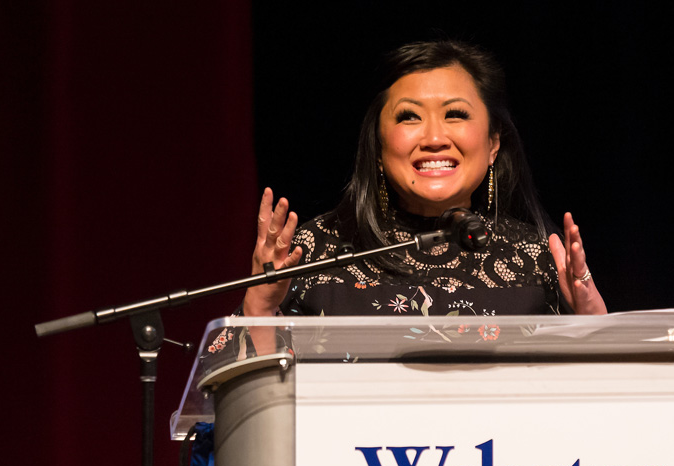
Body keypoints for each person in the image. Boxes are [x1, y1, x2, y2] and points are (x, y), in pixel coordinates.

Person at [242, 40, 605, 322]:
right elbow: (229, 405)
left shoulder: (535, 256)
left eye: (456, 114)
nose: (434, 138)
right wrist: (259, 306)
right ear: (379, 145)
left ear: (493, 143)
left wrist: (592, 323)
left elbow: (597, 403)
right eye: (410, 117)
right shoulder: (313, 252)